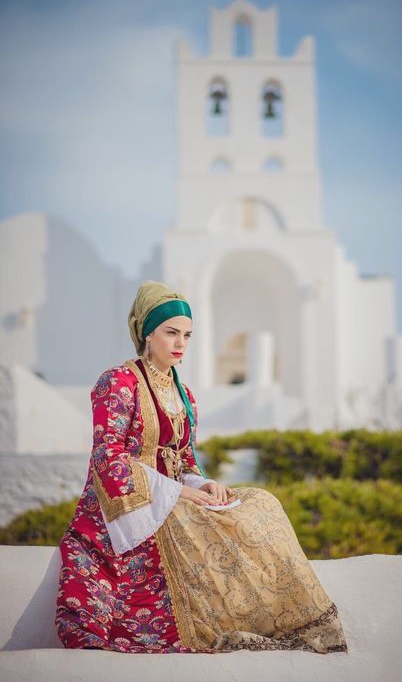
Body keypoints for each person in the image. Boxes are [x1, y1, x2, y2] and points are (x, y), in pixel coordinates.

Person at [55, 280, 349, 655]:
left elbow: (186, 457)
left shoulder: (184, 393)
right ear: (147, 332)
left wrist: (205, 484)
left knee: (261, 502)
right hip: (132, 507)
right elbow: (107, 460)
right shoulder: (118, 382)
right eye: (171, 332)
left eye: (188, 335)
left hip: (176, 495)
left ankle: (283, 616)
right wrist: (178, 492)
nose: (180, 344)